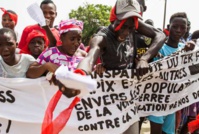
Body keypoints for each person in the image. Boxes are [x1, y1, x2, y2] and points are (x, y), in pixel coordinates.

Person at [59, 0, 166, 133]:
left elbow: (160, 35)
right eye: (123, 26)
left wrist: (144, 58)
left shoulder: (133, 24)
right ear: (114, 20)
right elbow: (90, 57)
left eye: (131, 28)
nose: (127, 32)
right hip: (107, 101)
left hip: (128, 100)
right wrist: (79, 76)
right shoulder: (102, 38)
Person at [147, 12, 194, 134]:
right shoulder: (158, 48)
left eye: (182, 27)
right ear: (168, 27)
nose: (178, 30)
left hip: (173, 103)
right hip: (157, 101)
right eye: (175, 27)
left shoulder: (186, 49)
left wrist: (192, 46)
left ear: (186, 29)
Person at [26, 19, 85, 85]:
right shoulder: (51, 53)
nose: (76, 43)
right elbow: (29, 73)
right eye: (72, 39)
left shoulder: (84, 56)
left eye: (79, 39)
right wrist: (46, 66)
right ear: (62, 38)